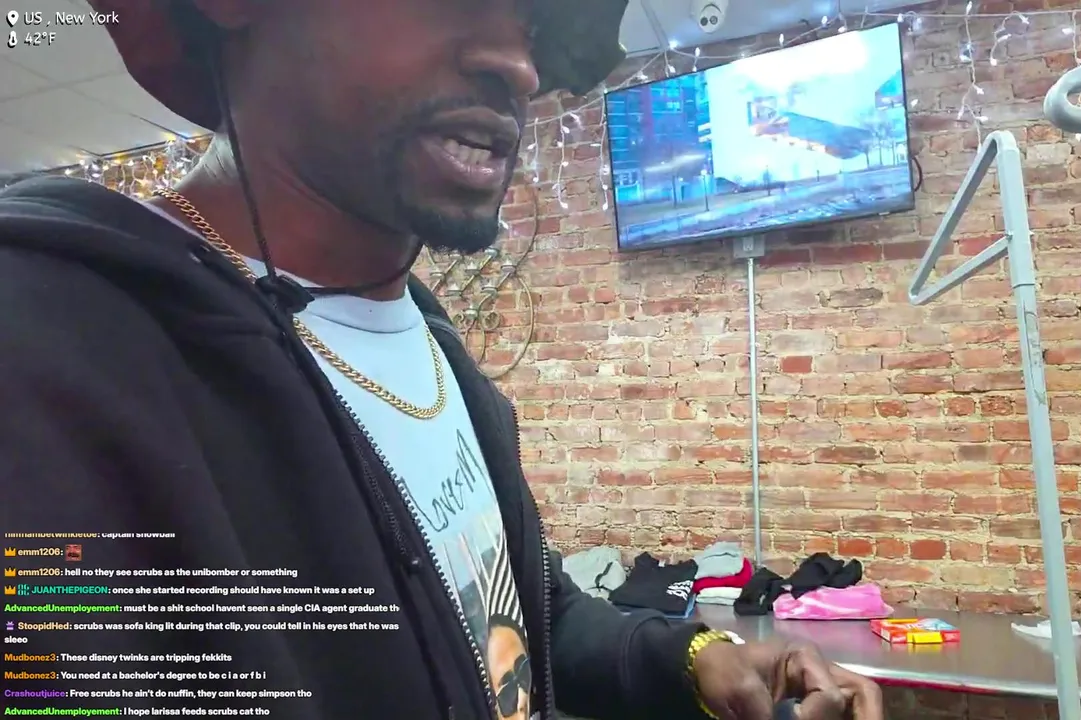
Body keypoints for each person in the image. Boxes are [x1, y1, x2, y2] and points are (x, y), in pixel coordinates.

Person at [0, 1, 883, 719]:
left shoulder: (434, 347)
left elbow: (518, 619)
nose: (520, 66)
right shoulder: (48, 350)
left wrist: (694, 658)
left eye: (530, 22)